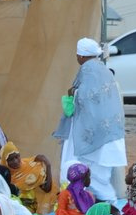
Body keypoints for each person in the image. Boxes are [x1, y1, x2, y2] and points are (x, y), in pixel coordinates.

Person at [54, 37, 128, 204]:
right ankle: (106, 202)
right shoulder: (104, 71)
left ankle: (95, 203)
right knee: (101, 171)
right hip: (108, 133)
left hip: (89, 133)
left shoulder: (88, 71)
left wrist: (72, 94)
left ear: (81, 55)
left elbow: (84, 99)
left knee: (87, 169)